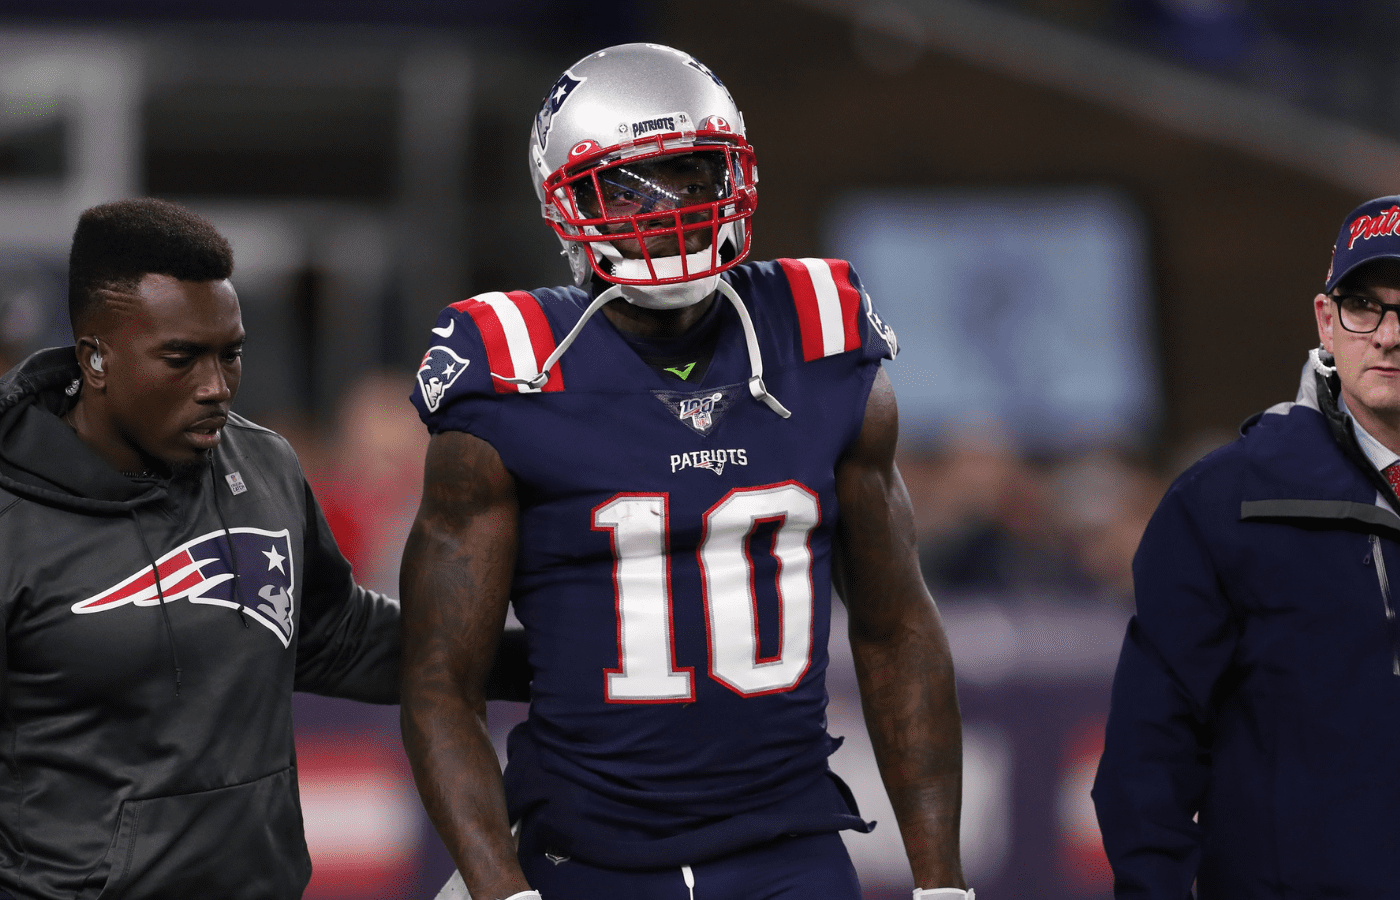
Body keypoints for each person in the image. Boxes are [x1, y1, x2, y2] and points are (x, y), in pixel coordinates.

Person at [399, 43, 969, 900]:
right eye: (629, 187)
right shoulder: (512, 367)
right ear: (563, 200)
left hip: (789, 846)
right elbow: (442, 680)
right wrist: (500, 889)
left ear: (734, 174)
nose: (669, 211)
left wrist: (942, 884)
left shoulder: (820, 333)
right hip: (584, 855)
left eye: (692, 174)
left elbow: (895, 627)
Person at [0, 198, 526, 900]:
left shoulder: (264, 464)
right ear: (95, 357)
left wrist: (542, 660)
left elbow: (338, 636)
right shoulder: (11, 522)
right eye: (182, 358)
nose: (216, 388)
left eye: (231, 354)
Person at [1093, 194, 1400, 898]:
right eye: (1363, 306)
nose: (1387, 335)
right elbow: (1150, 749)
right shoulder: (1224, 503)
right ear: (1326, 321)